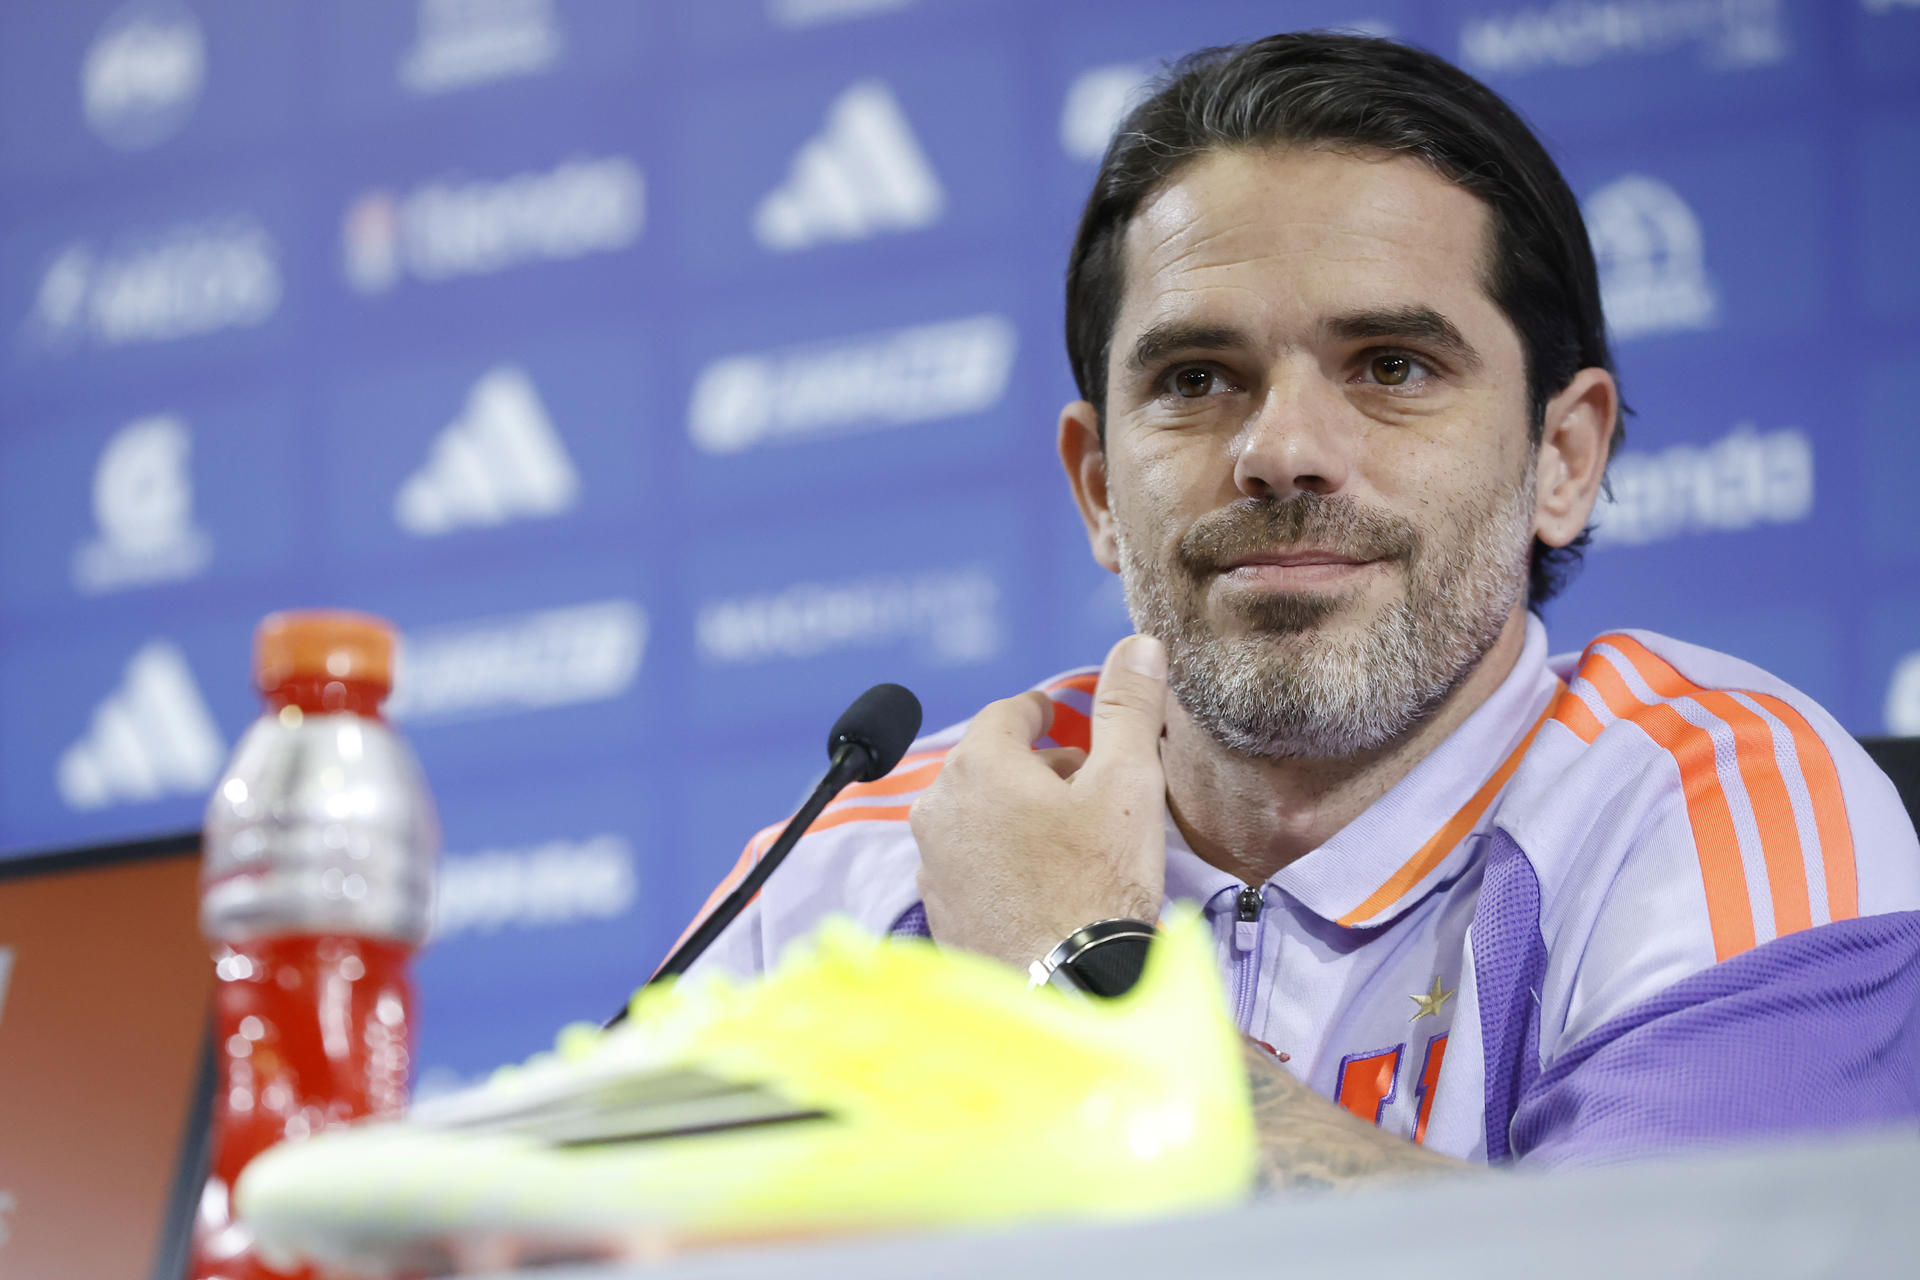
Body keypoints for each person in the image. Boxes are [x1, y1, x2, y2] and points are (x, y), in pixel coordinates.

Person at [673, 32, 1920, 1188]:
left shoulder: (1716, 799)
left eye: (1392, 366)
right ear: (1100, 486)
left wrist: (1083, 974)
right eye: (1197, 379)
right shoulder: (869, 854)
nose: (1282, 451)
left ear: (1562, 456)